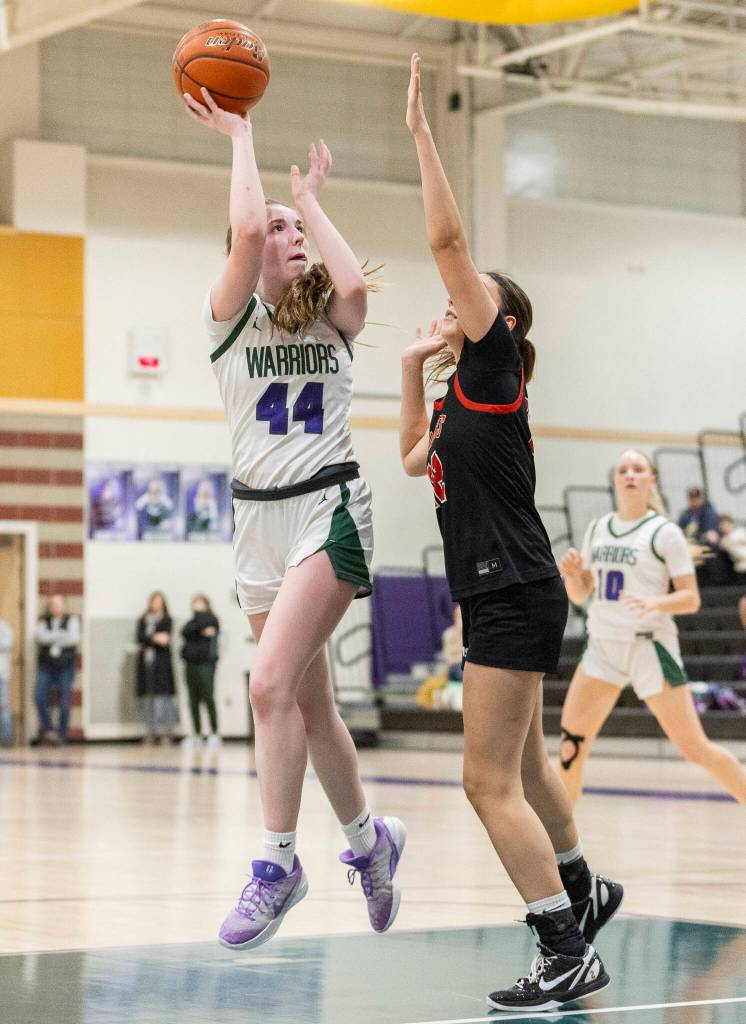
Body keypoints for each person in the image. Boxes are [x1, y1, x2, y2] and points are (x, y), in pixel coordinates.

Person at [400, 54, 619, 1013]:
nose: (452, 296)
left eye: (471, 294)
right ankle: (584, 889)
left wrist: (419, 134)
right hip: (505, 587)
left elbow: (448, 238)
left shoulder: (492, 362)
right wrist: (411, 360)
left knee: (485, 782)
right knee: (526, 768)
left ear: (500, 314)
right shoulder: (458, 390)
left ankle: (564, 947)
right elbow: (412, 454)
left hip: (512, 585)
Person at [182, 85, 404, 950]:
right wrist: (249, 158)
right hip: (256, 525)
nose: (286, 235)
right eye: (277, 227)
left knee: (268, 684)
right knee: (309, 707)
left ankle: (279, 864)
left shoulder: (336, 325)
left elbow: (350, 281)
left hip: (330, 507)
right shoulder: (228, 320)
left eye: (294, 230)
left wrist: (306, 195)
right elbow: (239, 235)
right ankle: (368, 841)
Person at [559, 450, 746, 807]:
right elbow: (582, 595)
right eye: (623, 469)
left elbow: (691, 599)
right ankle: (561, 853)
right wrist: (572, 575)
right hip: (602, 648)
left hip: (649, 648)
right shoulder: (598, 528)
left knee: (695, 749)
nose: (629, 474)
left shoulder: (665, 533)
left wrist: (655, 603)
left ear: (651, 480)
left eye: (637, 469)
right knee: (570, 749)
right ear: (615, 480)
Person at [33, 594, 80, 745]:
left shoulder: (72, 620)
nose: (55, 607)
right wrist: (60, 636)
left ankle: (62, 734)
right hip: (46, 666)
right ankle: (49, 730)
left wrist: (51, 637)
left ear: (65, 606)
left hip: (65, 666)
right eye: (53, 604)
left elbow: (73, 639)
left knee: (65, 700)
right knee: (38, 697)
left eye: (59, 604)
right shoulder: (43, 621)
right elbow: (39, 637)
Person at [135, 592, 177, 744]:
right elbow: (140, 637)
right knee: (148, 697)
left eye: (160, 601)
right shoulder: (143, 619)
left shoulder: (167, 619)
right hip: (147, 662)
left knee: (163, 697)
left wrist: (151, 637)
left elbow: (165, 639)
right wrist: (155, 637)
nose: (157, 604)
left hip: (162, 663)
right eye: (154, 601)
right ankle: (150, 731)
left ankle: (166, 731)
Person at [180, 594, 221, 745]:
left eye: (200, 603)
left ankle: (214, 732)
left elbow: (211, 627)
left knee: (208, 697)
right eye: (194, 603)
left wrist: (198, 624)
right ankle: (196, 733)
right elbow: (185, 632)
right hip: (190, 663)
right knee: (193, 699)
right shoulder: (191, 621)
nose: (196, 605)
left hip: (206, 663)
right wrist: (200, 629)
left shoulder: (212, 618)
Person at [0, 617, 13, 743]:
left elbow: (6, 643)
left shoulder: (4, 627)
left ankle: (6, 737)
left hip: (2, 673)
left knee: (3, 705)